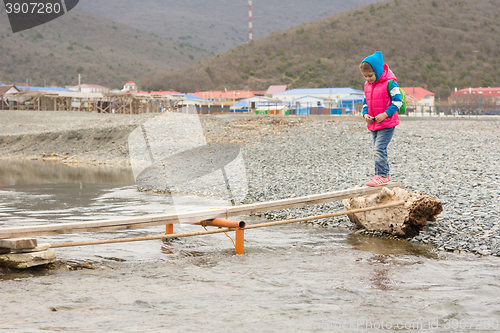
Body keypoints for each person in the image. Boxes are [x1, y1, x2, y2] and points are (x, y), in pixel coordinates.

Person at [359, 51, 402, 186]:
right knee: (376, 149)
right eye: (365, 76)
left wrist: (385, 114)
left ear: (377, 71)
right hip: (374, 123)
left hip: (387, 123)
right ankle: (379, 175)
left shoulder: (391, 84)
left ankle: (383, 175)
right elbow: (366, 102)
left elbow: (398, 102)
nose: (368, 79)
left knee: (379, 148)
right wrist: (365, 114)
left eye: (370, 75)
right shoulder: (367, 85)